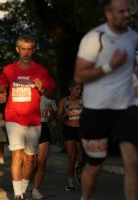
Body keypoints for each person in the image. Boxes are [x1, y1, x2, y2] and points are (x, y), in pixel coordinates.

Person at [74, 0, 138, 199]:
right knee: (95, 165)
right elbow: (79, 75)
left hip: (126, 109)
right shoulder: (95, 38)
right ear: (109, 14)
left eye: (128, 10)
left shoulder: (133, 37)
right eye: (121, 11)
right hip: (97, 111)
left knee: (132, 161)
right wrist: (110, 66)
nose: (127, 14)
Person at [0, 35, 56, 200]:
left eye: (29, 49)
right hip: (13, 117)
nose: (26, 53)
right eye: (23, 49)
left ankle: (23, 188)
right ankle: (17, 195)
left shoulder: (41, 71)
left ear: (33, 50)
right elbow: (2, 84)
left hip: (33, 120)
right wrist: (2, 93)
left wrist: (43, 89)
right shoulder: (9, 70)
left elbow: (52, 94)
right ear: (18, 50)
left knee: (30, 159)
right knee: (17, 154)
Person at [56, 80, 85, 191]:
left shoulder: (84, 101)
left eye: (80, 89)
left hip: (81, 130)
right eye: (77, 89)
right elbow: (58, 119)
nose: (79, 91)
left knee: (82, 159)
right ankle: (70, 182)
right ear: (70, 90)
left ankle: (79, 168)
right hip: (68, 129)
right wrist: (65, 115)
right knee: (72, 158)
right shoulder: (64, 102)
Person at [32, 95, 57, 199]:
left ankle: (36, 190)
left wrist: (51, 114)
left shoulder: (50, 98)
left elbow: (52, 117)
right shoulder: (30, 94)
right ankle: (27, 182)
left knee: (41, 162)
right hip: (31, 128)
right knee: (32, 163)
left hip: (44, 128)